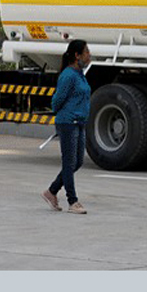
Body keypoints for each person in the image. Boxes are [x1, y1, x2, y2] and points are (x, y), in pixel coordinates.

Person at [41, 39, 92, 214]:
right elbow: (56, 101)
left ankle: (51, 191)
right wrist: (68, 113)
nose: (89, 55)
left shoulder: (80, 74)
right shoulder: (68, 76)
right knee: (69, 163)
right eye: (86, 52)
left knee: (77, 162)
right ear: (77, 55)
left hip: (80, 123)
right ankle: (73, 201)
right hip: (68, 123)